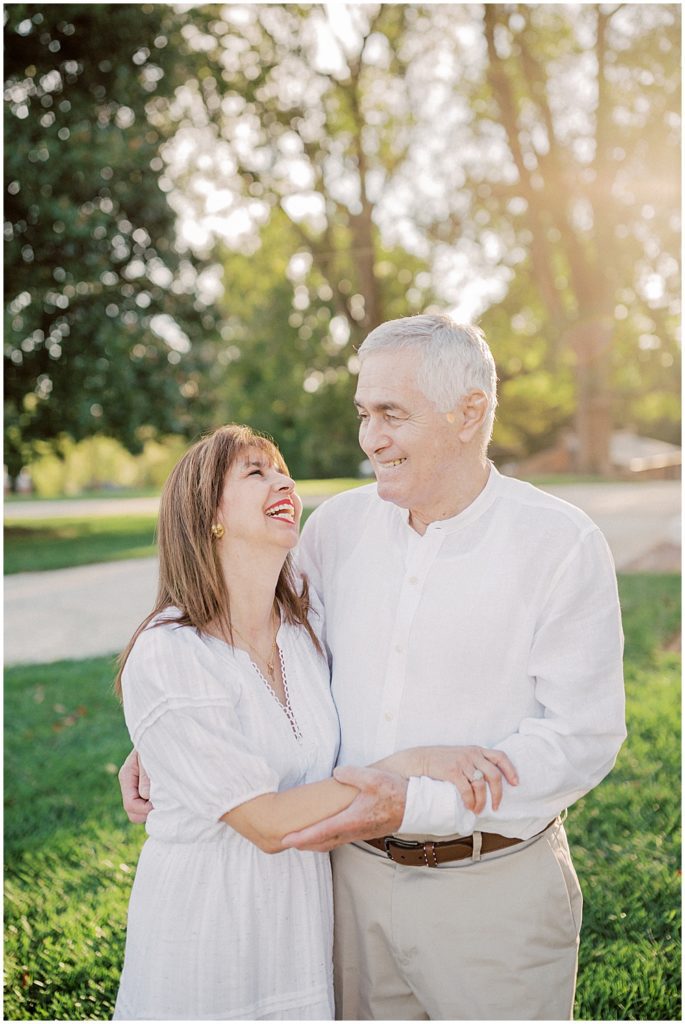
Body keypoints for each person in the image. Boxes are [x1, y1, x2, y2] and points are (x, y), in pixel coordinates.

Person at [113, 421, 518, 1021]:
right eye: (256, 472)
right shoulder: (171, 653)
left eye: (282, 468)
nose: (284, 480)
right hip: (211, 924)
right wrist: (406, 767)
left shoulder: (305, 626)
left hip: (298, 923)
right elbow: (268, 823)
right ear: (209, 516)